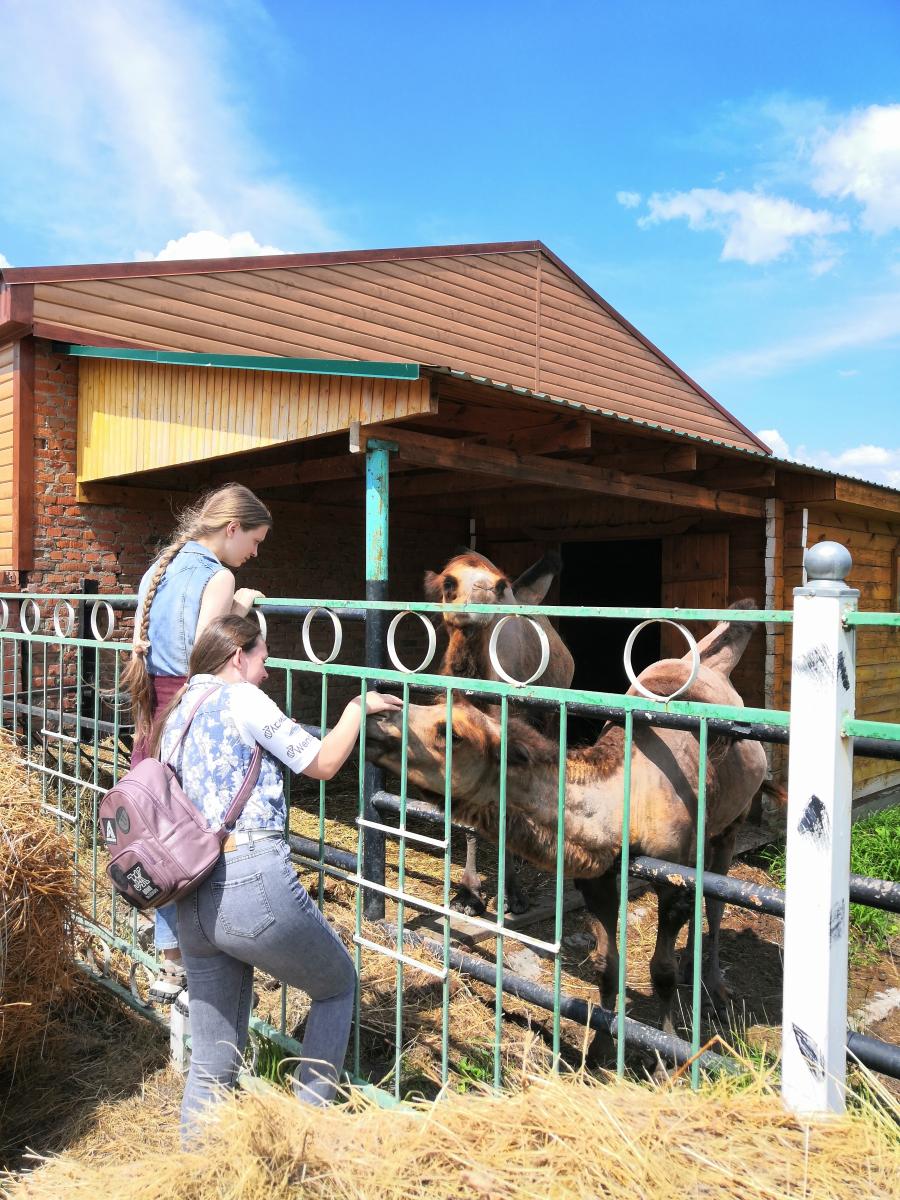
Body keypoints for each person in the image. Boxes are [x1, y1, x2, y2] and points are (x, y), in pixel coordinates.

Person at [152, 615, 402, 1142]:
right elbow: (323, 762)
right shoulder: (241, 698)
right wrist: (354, 711)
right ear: (237, 656)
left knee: (212, 1064)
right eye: (263, 659)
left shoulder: (176, 712)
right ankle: (302, 1132)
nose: (266, 673)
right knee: (337, 986)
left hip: (190, 899)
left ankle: (192, 1169)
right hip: (249, 879)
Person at [122, 483, 273, 1002]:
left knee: (160, 832)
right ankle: (197, 960)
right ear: (231, 529)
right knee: (192, 838)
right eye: (253, 540)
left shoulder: (157, 568)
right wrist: (241, 606)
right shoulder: (218, 575)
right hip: (186, 713)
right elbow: (208, 655)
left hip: (150, 711)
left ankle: (169, 960)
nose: (254, 553)